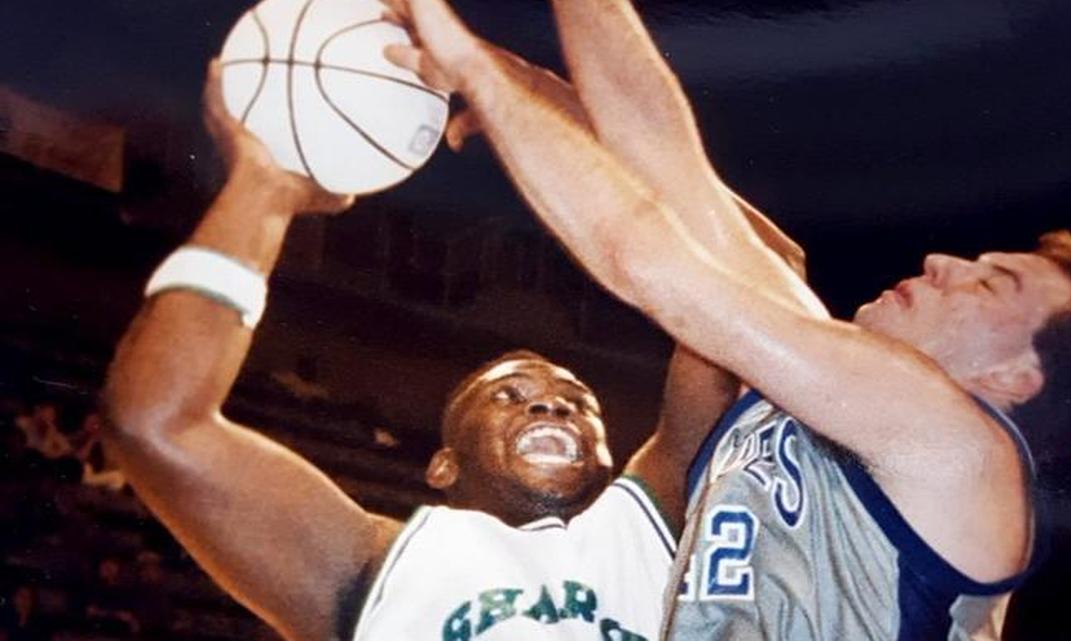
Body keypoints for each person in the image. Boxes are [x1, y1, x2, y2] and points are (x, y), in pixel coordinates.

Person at [380, 0, 1071, 638]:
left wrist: (475, 69)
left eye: (990, 283)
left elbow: (645, 259)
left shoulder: (961, 453)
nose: (945, 261)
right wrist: (536, 92)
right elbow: (673, 169)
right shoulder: (826, 385)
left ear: (1013, 375)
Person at [98, 59, 717, 641]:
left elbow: (749, 283)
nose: (551, 406)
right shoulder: (375, 563)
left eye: (578, 403)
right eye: (508, 396)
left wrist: (586, 130)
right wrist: (262, 190)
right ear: (443, 466)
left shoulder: (647, 525)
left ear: (610, 457)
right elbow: (157, 422)